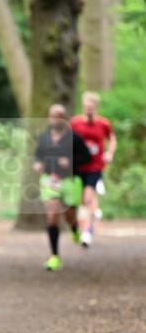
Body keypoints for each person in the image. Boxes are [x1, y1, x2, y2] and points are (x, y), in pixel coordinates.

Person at [33, 104, 92, 271]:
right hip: (49, 180)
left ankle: (74, 228)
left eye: (59, 116)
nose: (56, 119)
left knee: (69, 216)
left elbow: (87, 157)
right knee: (51, 216)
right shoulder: (44, 137)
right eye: (53, 115)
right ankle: (54, 256)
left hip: (69, 180)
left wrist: (71, 162)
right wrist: (37, 164)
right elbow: (38, 155)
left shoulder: (74, 137)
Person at [70, 91, 116, 247]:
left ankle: (87, 232)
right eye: (86, 106)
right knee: (81, 200)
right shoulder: (75, 123)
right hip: (78, 166)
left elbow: (112, 138)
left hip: (95, 166)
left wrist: (109, 153)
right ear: (83, 107)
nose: (88, 109)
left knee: (88, 197)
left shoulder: (103, 123)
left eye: (91, 107)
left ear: (96, 107)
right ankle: (86, 219)